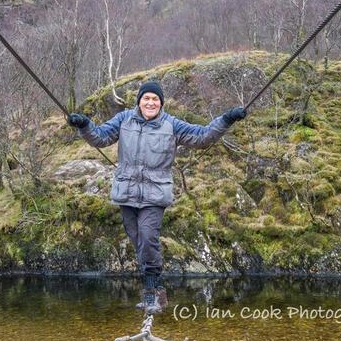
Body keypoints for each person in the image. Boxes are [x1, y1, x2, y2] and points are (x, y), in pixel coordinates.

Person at [67, 81, 246, 314]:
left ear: (161, 103)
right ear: (139, 101)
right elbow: (100, 137)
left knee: (148, 236)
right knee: (139, 241)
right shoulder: (124, 120)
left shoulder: (171, 125)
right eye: (146, 98)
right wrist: (84, 125)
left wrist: (227, 119)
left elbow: (203, 137)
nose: (150, 102)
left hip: (155, 194)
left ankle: (153, 292)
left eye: (155, 99)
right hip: (127, 193)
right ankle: (156, 294)